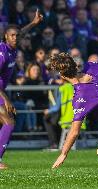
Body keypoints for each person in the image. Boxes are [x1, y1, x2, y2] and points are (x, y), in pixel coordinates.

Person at [0, 9, 43, 169]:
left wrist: (33, 23)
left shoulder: (13, 47)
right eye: (12, 35)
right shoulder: (2, 53)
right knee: (9, 122)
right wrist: (6, 99)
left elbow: (21, 32)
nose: (16, 37)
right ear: (6, 36)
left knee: (3, 123)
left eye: (17, 36)